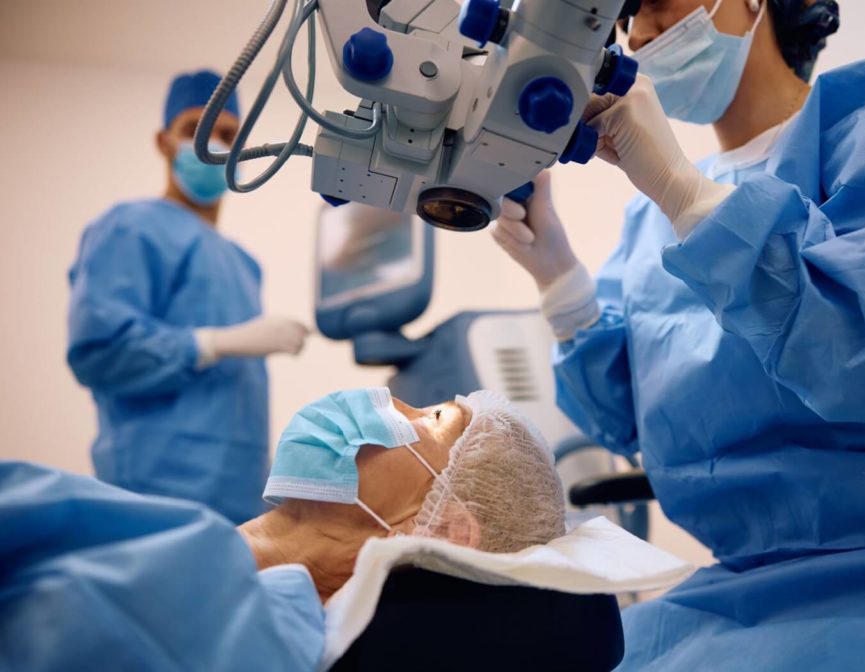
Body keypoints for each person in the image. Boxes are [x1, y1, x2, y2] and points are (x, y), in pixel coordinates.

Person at [492, 0, 865, 669]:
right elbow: (633, 422)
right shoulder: (650, 221)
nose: (641, 34)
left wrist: (688, 199)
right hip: (740, 592)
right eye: (626, 20)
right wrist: (560, 279)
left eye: (659, 3)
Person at [0, 389, 566, 670]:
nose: (388, 397)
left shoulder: (264, 634)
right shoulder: (196, 542)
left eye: (433, 418)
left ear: (440, 528)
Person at [66, 69, 309, 523]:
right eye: (194, 130)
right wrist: (214, 343)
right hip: (153, 495)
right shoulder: (129, 227)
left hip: (239, 501)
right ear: (164, 142)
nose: (212, 144)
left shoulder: (243, 263)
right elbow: (101, 352)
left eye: (227, 133)